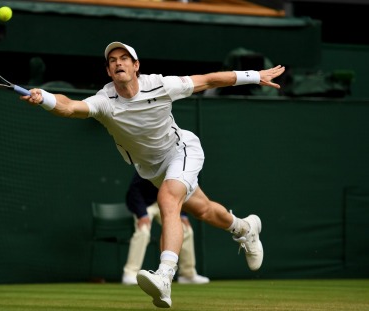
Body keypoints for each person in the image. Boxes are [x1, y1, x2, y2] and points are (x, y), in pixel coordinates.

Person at [20, 41, 285, 308]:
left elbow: (208, 80)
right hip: (152, 169)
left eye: (125, 58)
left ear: (136, 66)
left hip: (181, 151)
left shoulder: (160, 85)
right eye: (112, 60)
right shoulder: (105, 101)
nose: (118, 63)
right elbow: (70, 107)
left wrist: (254, 76)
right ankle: (245, 228)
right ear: (109, 71)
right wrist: (45, 98)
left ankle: (165, 275)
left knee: (168, 200)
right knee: (203, 210)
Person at [122, 171, 209, 285]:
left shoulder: (179, 168)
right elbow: (134, 191)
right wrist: (142, 215)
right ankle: (130, 274)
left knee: (186, 230)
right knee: (143, 232)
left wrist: (182, 215)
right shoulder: (149, 164)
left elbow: (179, 193)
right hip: (145, 205)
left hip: (166, 205)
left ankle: (187, 274)